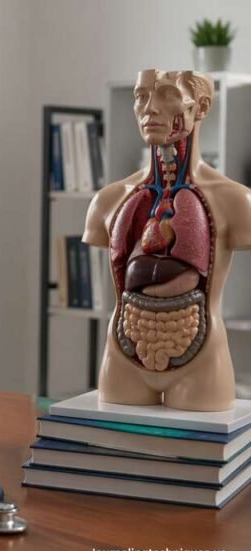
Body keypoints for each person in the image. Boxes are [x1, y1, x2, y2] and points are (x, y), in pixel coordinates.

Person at [84, 69, 251, 411]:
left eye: (167, 94)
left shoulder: (237, 201)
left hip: (203, 361)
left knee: (198, 446)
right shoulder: (107, 200)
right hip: (123, 356)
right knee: (117, 441)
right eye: (141, 96)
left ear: (200, 107)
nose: (150, 108)